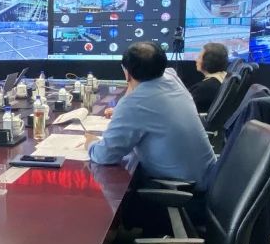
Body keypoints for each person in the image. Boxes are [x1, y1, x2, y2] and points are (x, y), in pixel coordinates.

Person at [86, 42, 216, 190]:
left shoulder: (134, 104)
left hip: (186, 189)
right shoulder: (171, 76)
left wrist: (91, 143)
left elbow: (104, 156)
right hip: (208, 176)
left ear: (127, 73)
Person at [189, 42, 229, 113]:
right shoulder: (225, 78)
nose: (196, 60)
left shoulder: (203, 88)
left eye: (199, 57)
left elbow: (184, 109)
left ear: (207, 62)